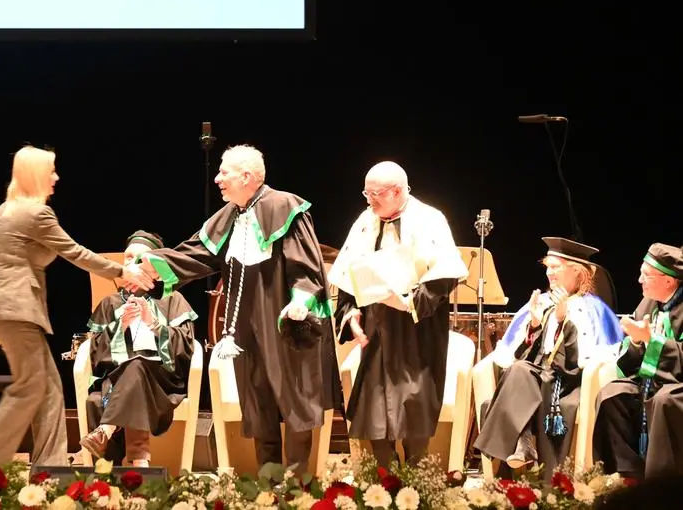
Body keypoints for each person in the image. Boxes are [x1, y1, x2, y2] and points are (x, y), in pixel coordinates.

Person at [0, 145, 154, 479]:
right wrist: (121, 272)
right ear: (35, 174)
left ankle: (51, 468)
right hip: (19, 309)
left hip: (5, 309)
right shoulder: (37, 214)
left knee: (50, 390)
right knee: (29, 389)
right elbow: (75, 252)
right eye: (52, 170)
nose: (56, 177)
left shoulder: (2, 212)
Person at [135, 144, 341, 474]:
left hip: (284, 320)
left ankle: (298, 485)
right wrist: (153, 264)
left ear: (246, 176)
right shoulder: (230, 215)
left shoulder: (284, 206)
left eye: (224, 172)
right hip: (246, 324)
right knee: (258, 399)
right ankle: (267, 482)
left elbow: (305, 265)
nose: (217, 178)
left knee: (295, 398)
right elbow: (196, 253)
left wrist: (301, 301)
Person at [328, 161, 468, 468]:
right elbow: (349, 274)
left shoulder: (430, 219)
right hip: (378, 331)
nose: (369, 200)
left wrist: (409, 303)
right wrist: (350, 313)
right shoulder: (366, 220)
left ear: (398, 191)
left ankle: (416, 484)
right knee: (374, 410)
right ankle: (386, 480)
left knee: (414, 408)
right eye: (367, 192)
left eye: (376, 193)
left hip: (417, 332)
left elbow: (445, 277)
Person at [473, 237, 623, 477]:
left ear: (577, 271)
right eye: (548, 267)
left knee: (521, 373)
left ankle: (517, 445)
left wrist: (564, 320)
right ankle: (522, 445)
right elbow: (519, 356)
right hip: (536, 375)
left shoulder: (594, 309)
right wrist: (533, 324)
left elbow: (583, 362)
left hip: (567, 382)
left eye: (556, 267)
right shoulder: (541, 302)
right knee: (519, 369)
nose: (549, 273)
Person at [79, 230, 198, 467]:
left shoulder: (172, 300)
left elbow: (185, 348)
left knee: (138, 366)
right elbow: (94, 356)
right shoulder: (110, 304)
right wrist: (119, 326)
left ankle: (107, 429)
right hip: (116, 381)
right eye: (128, 257)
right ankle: (138, 464)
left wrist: (152, 324)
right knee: (134, 369)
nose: (131, 263)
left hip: (162, 382)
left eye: (139, 259)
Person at [592, 243, 683, 480]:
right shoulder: (647, 303)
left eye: (646, 275)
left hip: (677, 385)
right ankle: (628, 475)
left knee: (664, 400)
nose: (639, 280)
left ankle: (662, 481)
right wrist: (636, 342)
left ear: (668, 281)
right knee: (613, 394)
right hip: (652, 381)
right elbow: (631, 357)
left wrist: (653, 342)